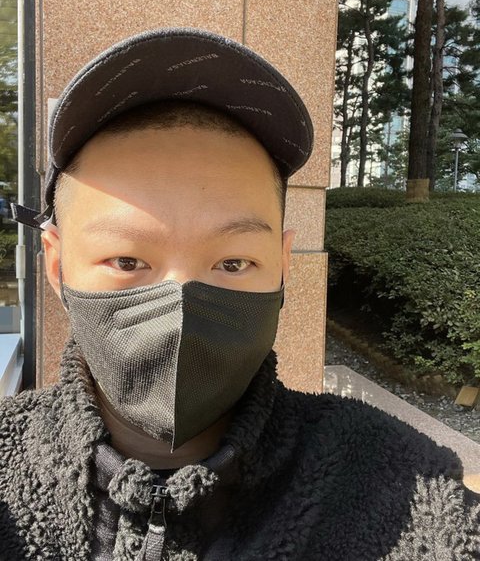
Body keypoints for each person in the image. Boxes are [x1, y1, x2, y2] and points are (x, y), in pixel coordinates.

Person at [1, 28, 479, 561]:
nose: (180, 310)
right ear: (58, 265)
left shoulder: (405, 487)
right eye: (128, 261)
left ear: (282, 266)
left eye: (232, 263)